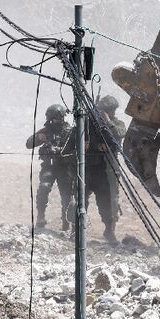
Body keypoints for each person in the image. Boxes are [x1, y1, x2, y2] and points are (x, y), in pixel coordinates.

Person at [65, 95, 127, 243]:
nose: (106, 113)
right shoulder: (86, 123)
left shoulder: (116, 123)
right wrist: (82, 145)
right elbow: (70, 143)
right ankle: (76, 230)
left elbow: (118, 134)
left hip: (104, 171)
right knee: (80, 201)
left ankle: (109, 231)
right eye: (103, 111)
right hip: (85, 170)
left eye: (108, 111)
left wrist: (107, 122)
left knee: (107, 202)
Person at [25, 104, 73, 230]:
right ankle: (41, 216)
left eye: (55, 118)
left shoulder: (69, 132)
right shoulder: (46, 130)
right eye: (50, 118)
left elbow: (75, 149)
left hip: (64, 167)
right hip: (49, 166)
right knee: (43, 188)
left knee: (67, 195)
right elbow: (28, 144)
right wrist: (38, 137)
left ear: (62, 118)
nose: (52, 121)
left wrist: (62, 151)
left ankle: (66, 222)